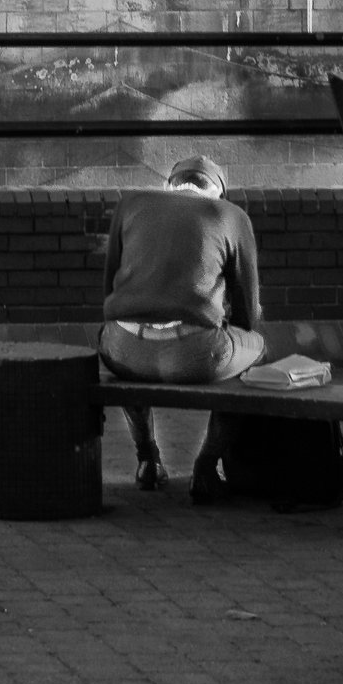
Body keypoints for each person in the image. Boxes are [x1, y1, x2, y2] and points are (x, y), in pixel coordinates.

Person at [98, 150, 265, 489]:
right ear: (218, 191)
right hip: (195, 356)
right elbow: (249, 310)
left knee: (126, 339)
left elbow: (109, 285)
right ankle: (207, 465)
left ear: (169, 185)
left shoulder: (130, 204)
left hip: (123, 349)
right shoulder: (231, 215)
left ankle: (147, 459)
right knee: (257, 350)